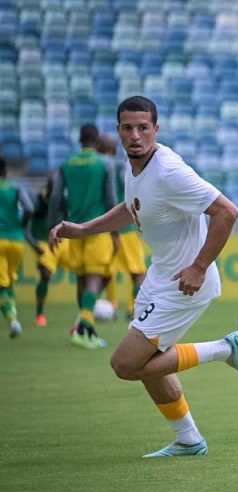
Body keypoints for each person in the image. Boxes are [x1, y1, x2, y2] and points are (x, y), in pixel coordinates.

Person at [49, 96, 238, 457]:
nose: (135, 135)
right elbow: (132, 207)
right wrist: (83, 230)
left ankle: (225, 348)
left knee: (125, 364)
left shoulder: (169, 171)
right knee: (147, 364)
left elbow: (227, 212)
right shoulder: (133, 166)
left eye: (143, 128)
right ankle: (189, 439)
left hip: (184, 282)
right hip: (159, 276)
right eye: (128, 128)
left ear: (156, 130)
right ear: (118, 131)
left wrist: (199, 266)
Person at [47, 123, 120, 348]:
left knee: (81, 279)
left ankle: (86, 331)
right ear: (97, 141)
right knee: (94, 278)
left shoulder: (65, 165)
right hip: (97, 229)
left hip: (73, 230)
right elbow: (111, 199)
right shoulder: (104, 164)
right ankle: (84, 330)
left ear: (79, 139)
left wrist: (53, 228)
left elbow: (55, 198)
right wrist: (115, 232)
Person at [97, 134, 146, 320]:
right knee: (137, 270)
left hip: (101, 228)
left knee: (104, 272)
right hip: (123, 226)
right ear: (114, 149)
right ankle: (135, 308)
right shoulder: (120, 166)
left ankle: (109, 305)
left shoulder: (95, 166)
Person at [0, 156, 35, 338]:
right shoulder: (15, 187)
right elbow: (28, 208)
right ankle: (13, 314)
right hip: (16, 240)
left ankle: (13, 320)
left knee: (1, 287)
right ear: (5, 170)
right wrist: (20, 226)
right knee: (10, 281)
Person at [25, 173, 61, 327]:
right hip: (44, 242)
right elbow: (27, 223)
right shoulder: (39, 202)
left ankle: (84, 315)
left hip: (64, 243)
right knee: (45, 274)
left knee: (88, 273)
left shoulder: (62, 200)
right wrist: (33, 243)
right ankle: (39, 314)